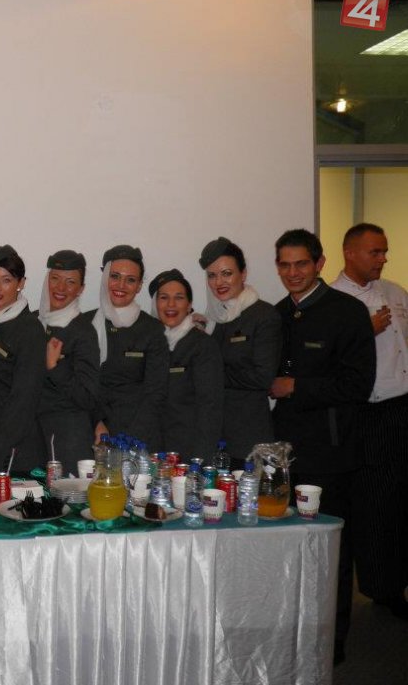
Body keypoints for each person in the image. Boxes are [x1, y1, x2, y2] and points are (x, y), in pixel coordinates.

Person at [270, 228, 375, 665]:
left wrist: (297, 386)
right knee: (290, 549)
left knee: (332, 550)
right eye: (285, 265)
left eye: (301, 264)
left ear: (319, 264)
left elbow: (358, 385)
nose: (293, 272)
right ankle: (294, 635)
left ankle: (332, 643)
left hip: (331, 454)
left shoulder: (348, 312)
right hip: (284, 455)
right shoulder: (276, 314)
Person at [330, 223, 408, 620]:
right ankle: (381, 587)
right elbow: (327, 362)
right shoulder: (334, 300)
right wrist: (364, 331)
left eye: (384, 251)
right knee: (374, 504)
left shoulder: (396, 292)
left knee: (399, 502)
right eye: (375, 252)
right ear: (350, 252)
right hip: (366, 412)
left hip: (402, 407)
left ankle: (396, 580)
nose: (382, 258)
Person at [198, 237, 281, 459]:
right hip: (214, 435)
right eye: (212, 275)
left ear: (243, 274)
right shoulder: (213, 318)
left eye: (227, 273)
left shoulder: (263, 315)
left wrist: (211, 372)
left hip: (248, 436)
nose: (219, 282)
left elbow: (262, 377)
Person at [87, 245, 168, 450]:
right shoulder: (84, 325)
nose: (121, 285)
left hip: (139, 436)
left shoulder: (152, 329)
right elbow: (81, 384)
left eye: (130, 280)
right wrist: (96, 421)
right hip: (93, 431)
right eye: (115, 276)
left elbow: (155, 392)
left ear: (139, 285)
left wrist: (129, 440)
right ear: (105, 278)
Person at [0, 245, 45, 475]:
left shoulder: (29, 329)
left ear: (21, 283)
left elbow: (23, 400)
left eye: (6, 280)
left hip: (14, 452)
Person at [36, 250, 101, 474]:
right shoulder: (35, 322)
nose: (60, 288)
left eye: (70, 282)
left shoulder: (83, 331)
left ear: (81, 289)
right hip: (35, 436)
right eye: (55, 278)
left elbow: (87, 396)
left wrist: (55, 368)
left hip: (69, 438)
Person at [149, 269, 224, 461]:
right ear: (156, 304)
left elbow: (210, 408)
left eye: (179, 298)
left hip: (189, 452)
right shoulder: (151, 342)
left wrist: (200, 460)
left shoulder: (203, 345)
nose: (171, 304)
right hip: (154, 450)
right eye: (164, 298)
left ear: (189, 304)